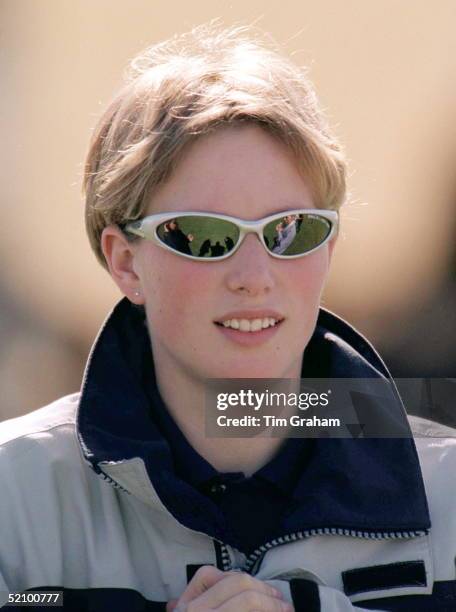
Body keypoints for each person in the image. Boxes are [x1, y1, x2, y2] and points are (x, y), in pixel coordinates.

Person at [1, 23, 455, 612]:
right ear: (125, 261)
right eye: (205, 236)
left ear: (329, 249)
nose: (254, 275)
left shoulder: (447, 489)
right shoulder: (14, 499)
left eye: (290, 231)